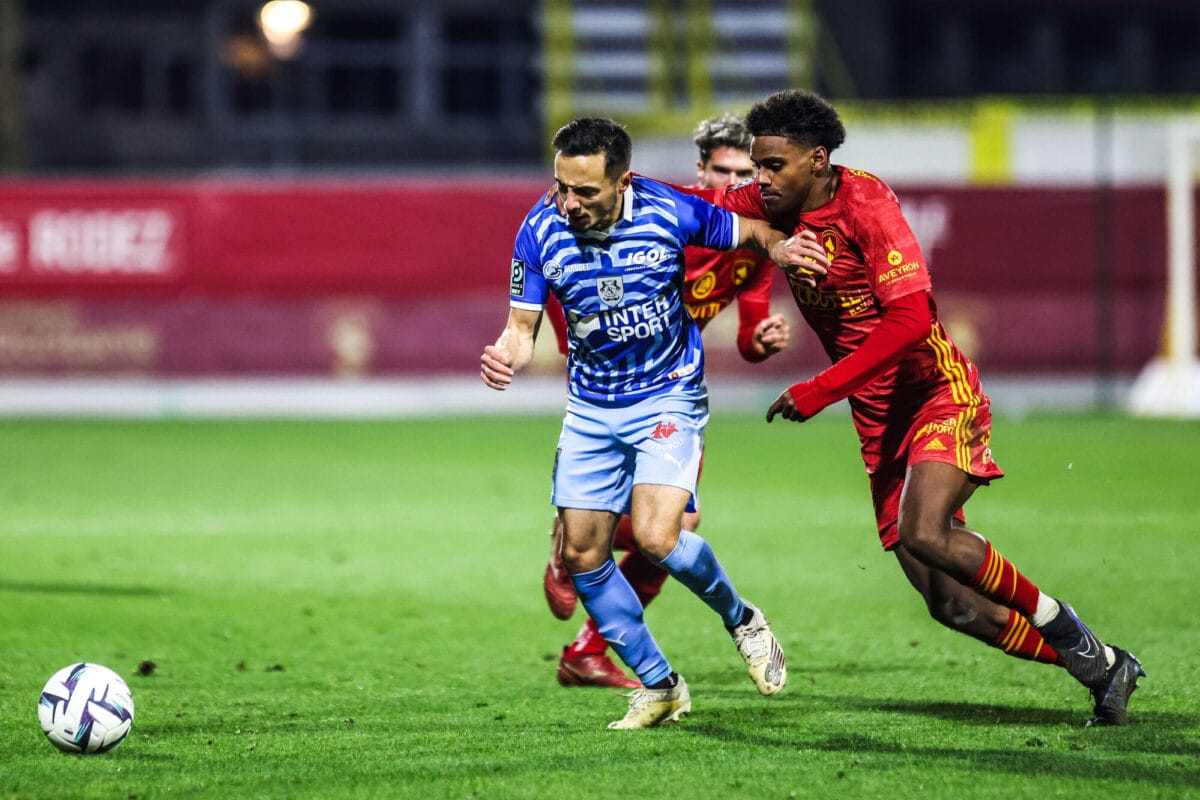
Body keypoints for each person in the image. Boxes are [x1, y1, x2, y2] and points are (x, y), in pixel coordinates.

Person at [718, 88, 1143, 726]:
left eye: (773, 165)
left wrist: (821, 388)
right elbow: (688, 207)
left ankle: (1062, 623)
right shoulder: (765, 202)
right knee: (952, 606)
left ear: (818, 159)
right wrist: (619, 188)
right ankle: (1106, 665)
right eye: (757, 166)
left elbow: (912, 319)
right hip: (878, 419)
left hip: (936, 391)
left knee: (925, 530)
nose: (761, 179)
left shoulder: (866, 204)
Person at [480, 116, 823, 729]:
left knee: (658, 535)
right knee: (582, 554)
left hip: (668, 396)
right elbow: (521, 328)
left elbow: (747, 231)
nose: (569, 203)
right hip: (591, 406)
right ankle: (660, 685)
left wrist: (779, 247)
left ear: (623, 181)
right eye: (562, 187)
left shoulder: (668, 210)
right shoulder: (537, 231)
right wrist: (507, 354)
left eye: (585, 191)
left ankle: (743, 619)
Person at [541, 114, 792, 690]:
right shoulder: (668, 211)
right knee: (669, 528)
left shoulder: (747, 242)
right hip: (611, 386)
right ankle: (581, 584)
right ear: (700, 170)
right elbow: (559, 264)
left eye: (747, 174)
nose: (735, 184)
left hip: (671, 388)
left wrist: (761, 340)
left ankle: (586, 642)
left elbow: (748, 337)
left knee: (671, 529)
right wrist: (573, 341)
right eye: (724, 171)